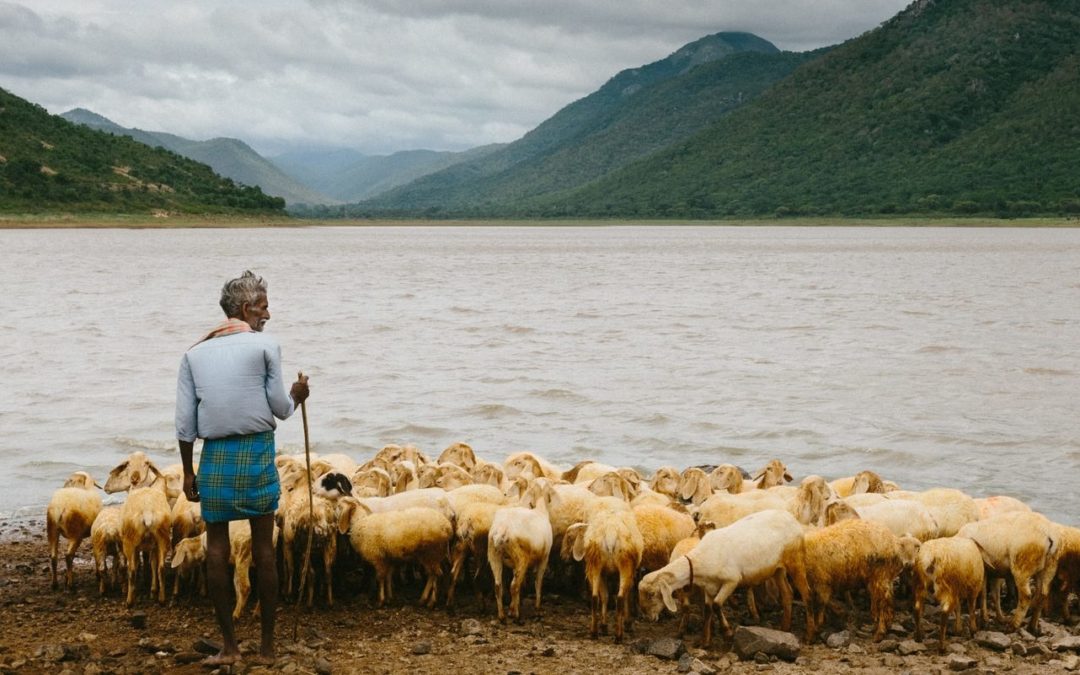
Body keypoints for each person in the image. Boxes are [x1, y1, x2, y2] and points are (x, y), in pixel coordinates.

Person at [176, 270, 309, 667]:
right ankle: (267, 649)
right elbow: (282, 410)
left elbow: (185, 423)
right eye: (264, 306)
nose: (268, 313)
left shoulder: (194, 354)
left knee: (216, 549)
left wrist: (187, 473)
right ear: (247, 308)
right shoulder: (265, 345)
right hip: (255, 454)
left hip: (213, 456)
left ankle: (230, 647)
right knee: (264, 550)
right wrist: (298, 395)